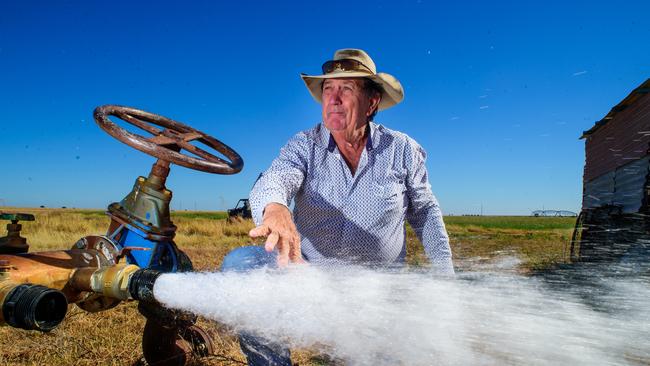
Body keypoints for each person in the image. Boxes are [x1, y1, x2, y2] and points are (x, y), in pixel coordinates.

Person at [221, 48, 454, 366]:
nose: (333, 98)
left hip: (378, 290)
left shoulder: (402, 149)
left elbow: (426, 212)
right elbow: (275, 177)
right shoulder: (304, 144)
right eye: (328, 89)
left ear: (372, 102)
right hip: (308, 276)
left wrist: (447, 279)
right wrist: (274, 207)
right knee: (240, 265)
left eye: (346, 89)